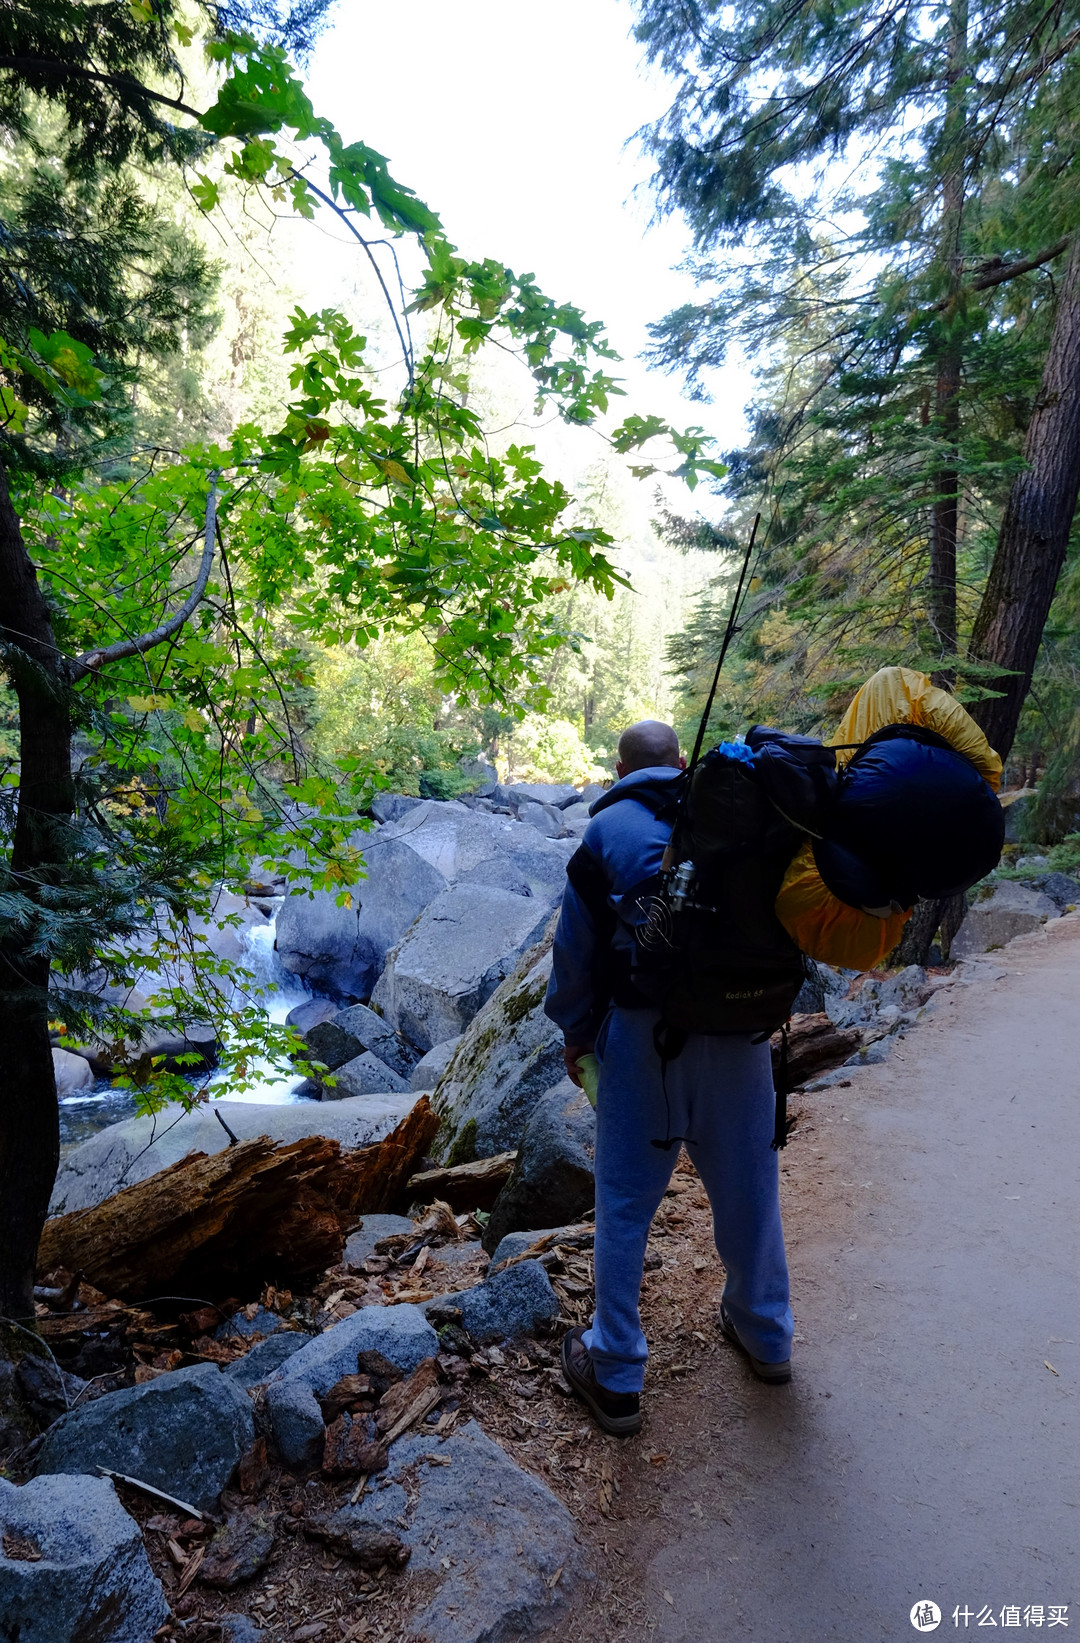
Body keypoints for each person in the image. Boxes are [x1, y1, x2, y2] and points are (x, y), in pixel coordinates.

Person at [544, 719, 793, 1436]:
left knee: (624, 1204)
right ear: (683, 761)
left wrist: (578, 1033)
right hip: (744, 1040)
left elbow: (573, 956)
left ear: (616, 769)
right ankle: (767, 1334)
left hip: (645, 1044)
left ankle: (617, 1370)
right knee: (750, 1194)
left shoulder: (606, 833)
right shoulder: (742, 810)